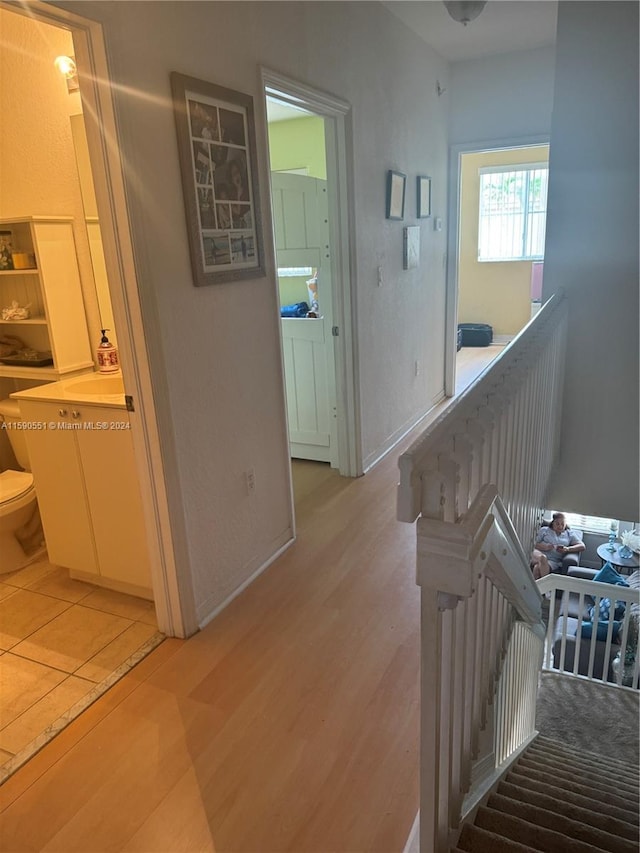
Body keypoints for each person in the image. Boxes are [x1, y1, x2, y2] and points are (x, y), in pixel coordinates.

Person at [531, 512, 585, 579]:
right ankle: (548, 586)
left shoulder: (569, 534)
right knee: (542, 558)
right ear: (553, 522)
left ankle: (537, 588)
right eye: (557, 524)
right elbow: (533, 544)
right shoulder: (544, 530)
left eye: (562, 524)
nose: (560, 526)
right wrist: (545, 547)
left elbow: (582, 546)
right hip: (538, 553)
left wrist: (567, 549)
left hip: (553, 560)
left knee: (537, 568)